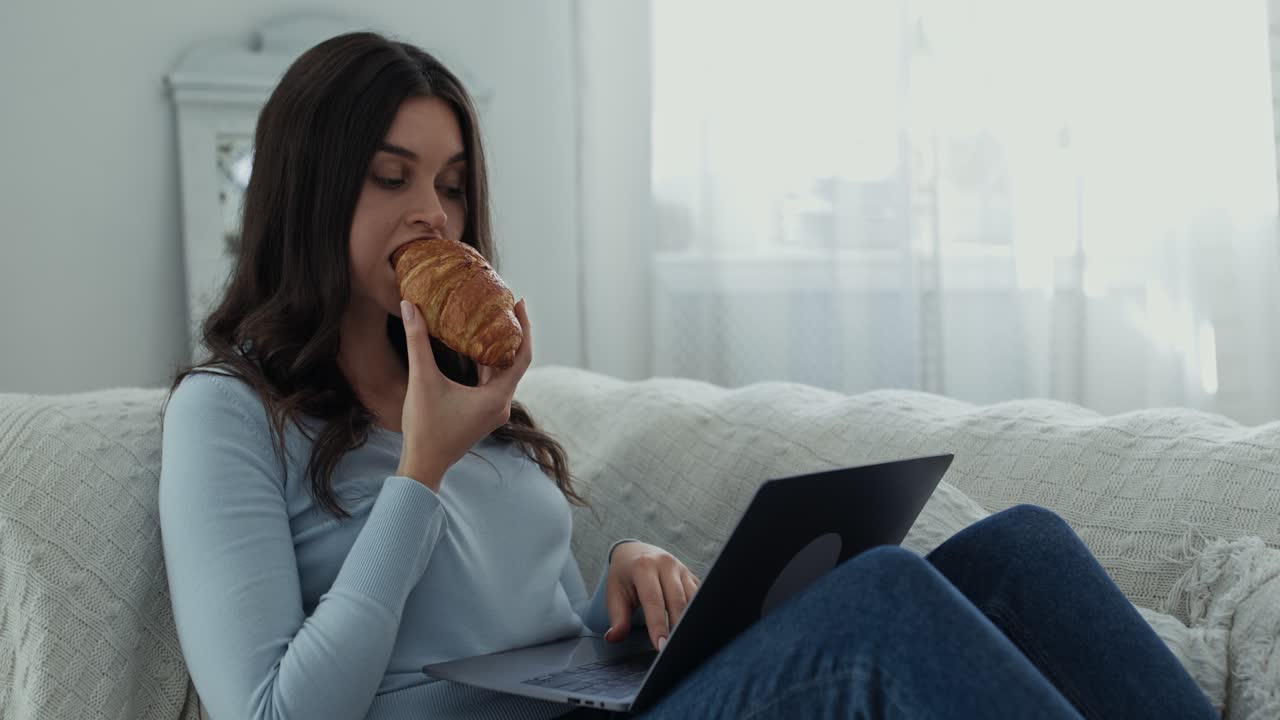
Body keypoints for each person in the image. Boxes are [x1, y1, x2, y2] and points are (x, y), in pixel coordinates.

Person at [158, 32, 1219, 720]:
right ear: (308, 190)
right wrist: (421, 475)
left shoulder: (461, 379)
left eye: (450, 183)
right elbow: (272, 711)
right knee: (882, 600)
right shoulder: (228, 414)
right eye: (390, 177)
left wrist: (608, 594)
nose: (431, 212)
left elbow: (502, 644)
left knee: (1019, 547)